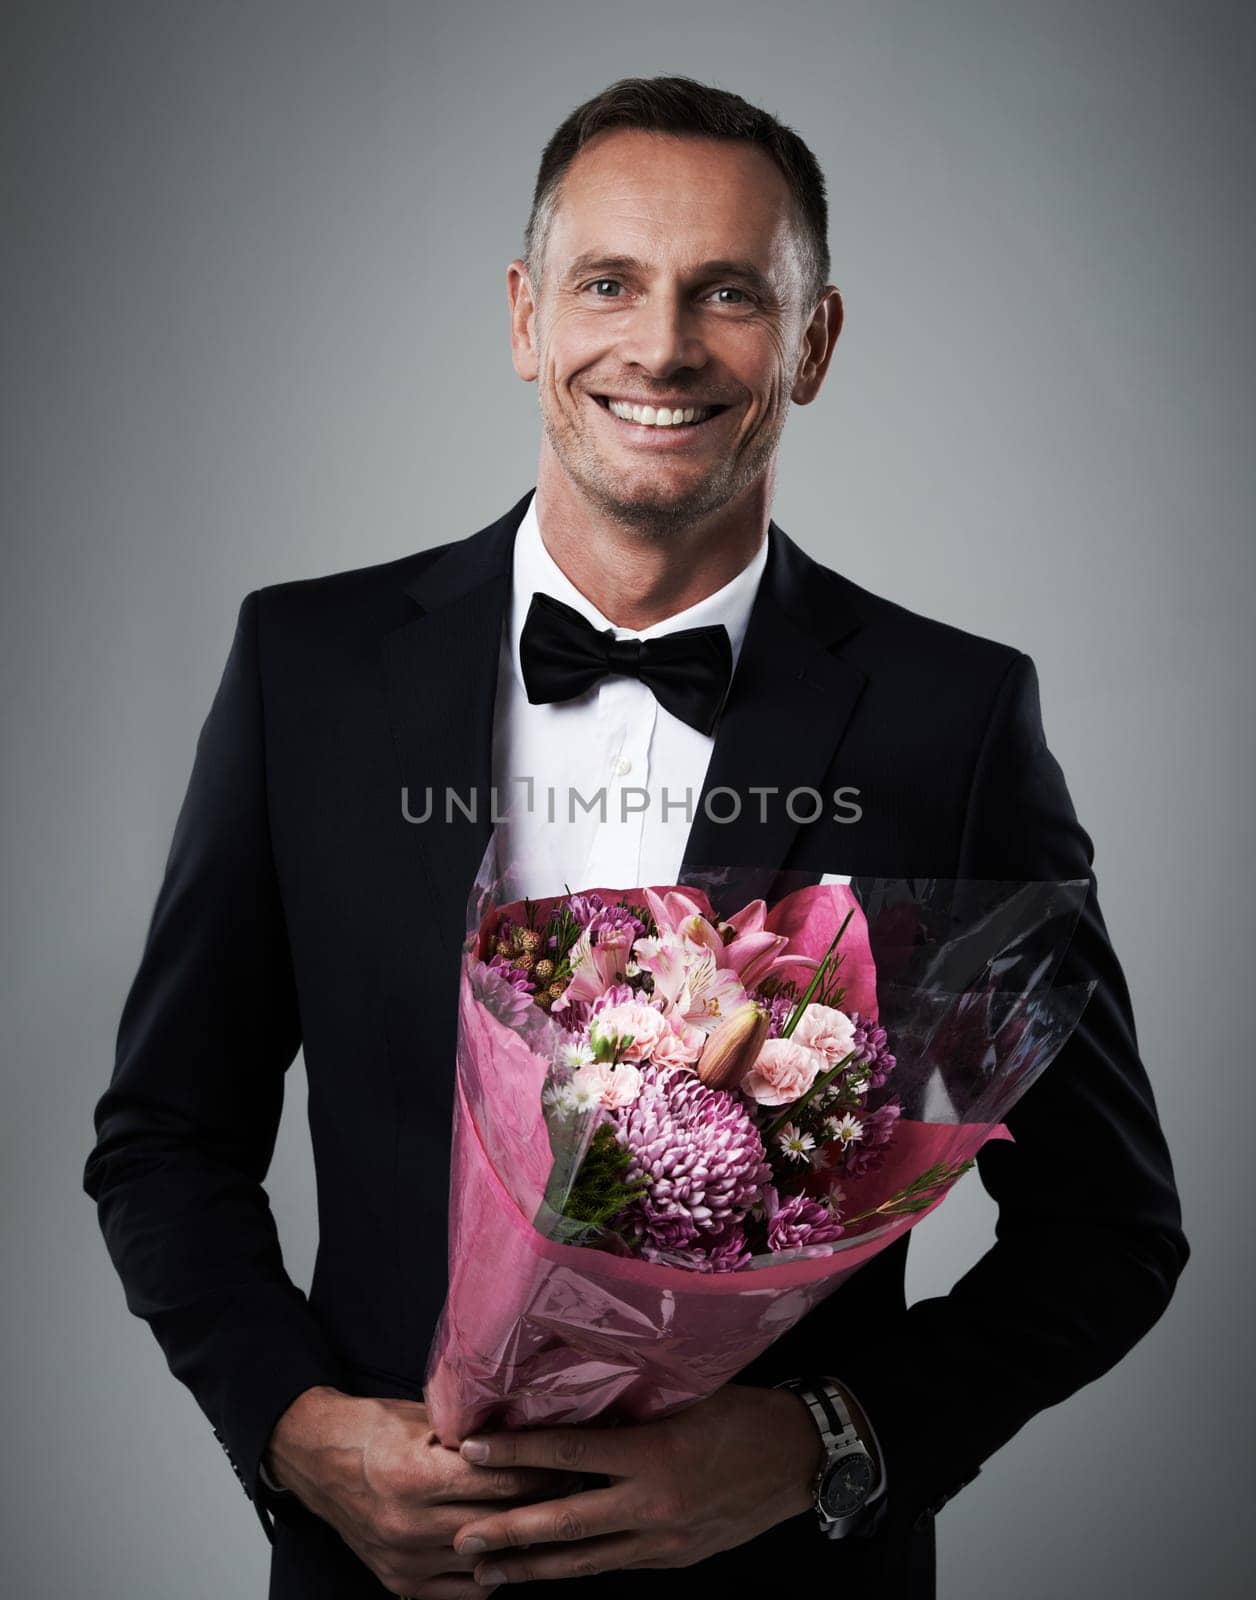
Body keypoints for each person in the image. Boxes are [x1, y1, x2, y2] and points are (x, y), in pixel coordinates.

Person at [82, 75, 1188, 1600]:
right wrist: (290, 1431)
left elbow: (1106, 1230)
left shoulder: (957, 718)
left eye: (728, 294)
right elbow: (165, 1140)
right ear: (529, 316)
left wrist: (822, 1444)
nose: (661, 346)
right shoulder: (307, 670)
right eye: (611, 283)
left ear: (813, 341)